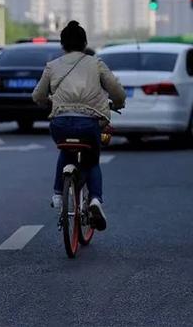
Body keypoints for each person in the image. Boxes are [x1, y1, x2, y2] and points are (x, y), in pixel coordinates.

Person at [32, 21, 125, 231]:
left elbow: (37, 95)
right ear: (84, 43)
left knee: (65, 150)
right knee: (92, 160)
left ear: (62, 45)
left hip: (61, 123)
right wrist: (118, 103)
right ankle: (95, 200)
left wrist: (47, 102)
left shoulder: (52, 66)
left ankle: (57, 195)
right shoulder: (96, 64)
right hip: (89, 124)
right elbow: (117, 92)